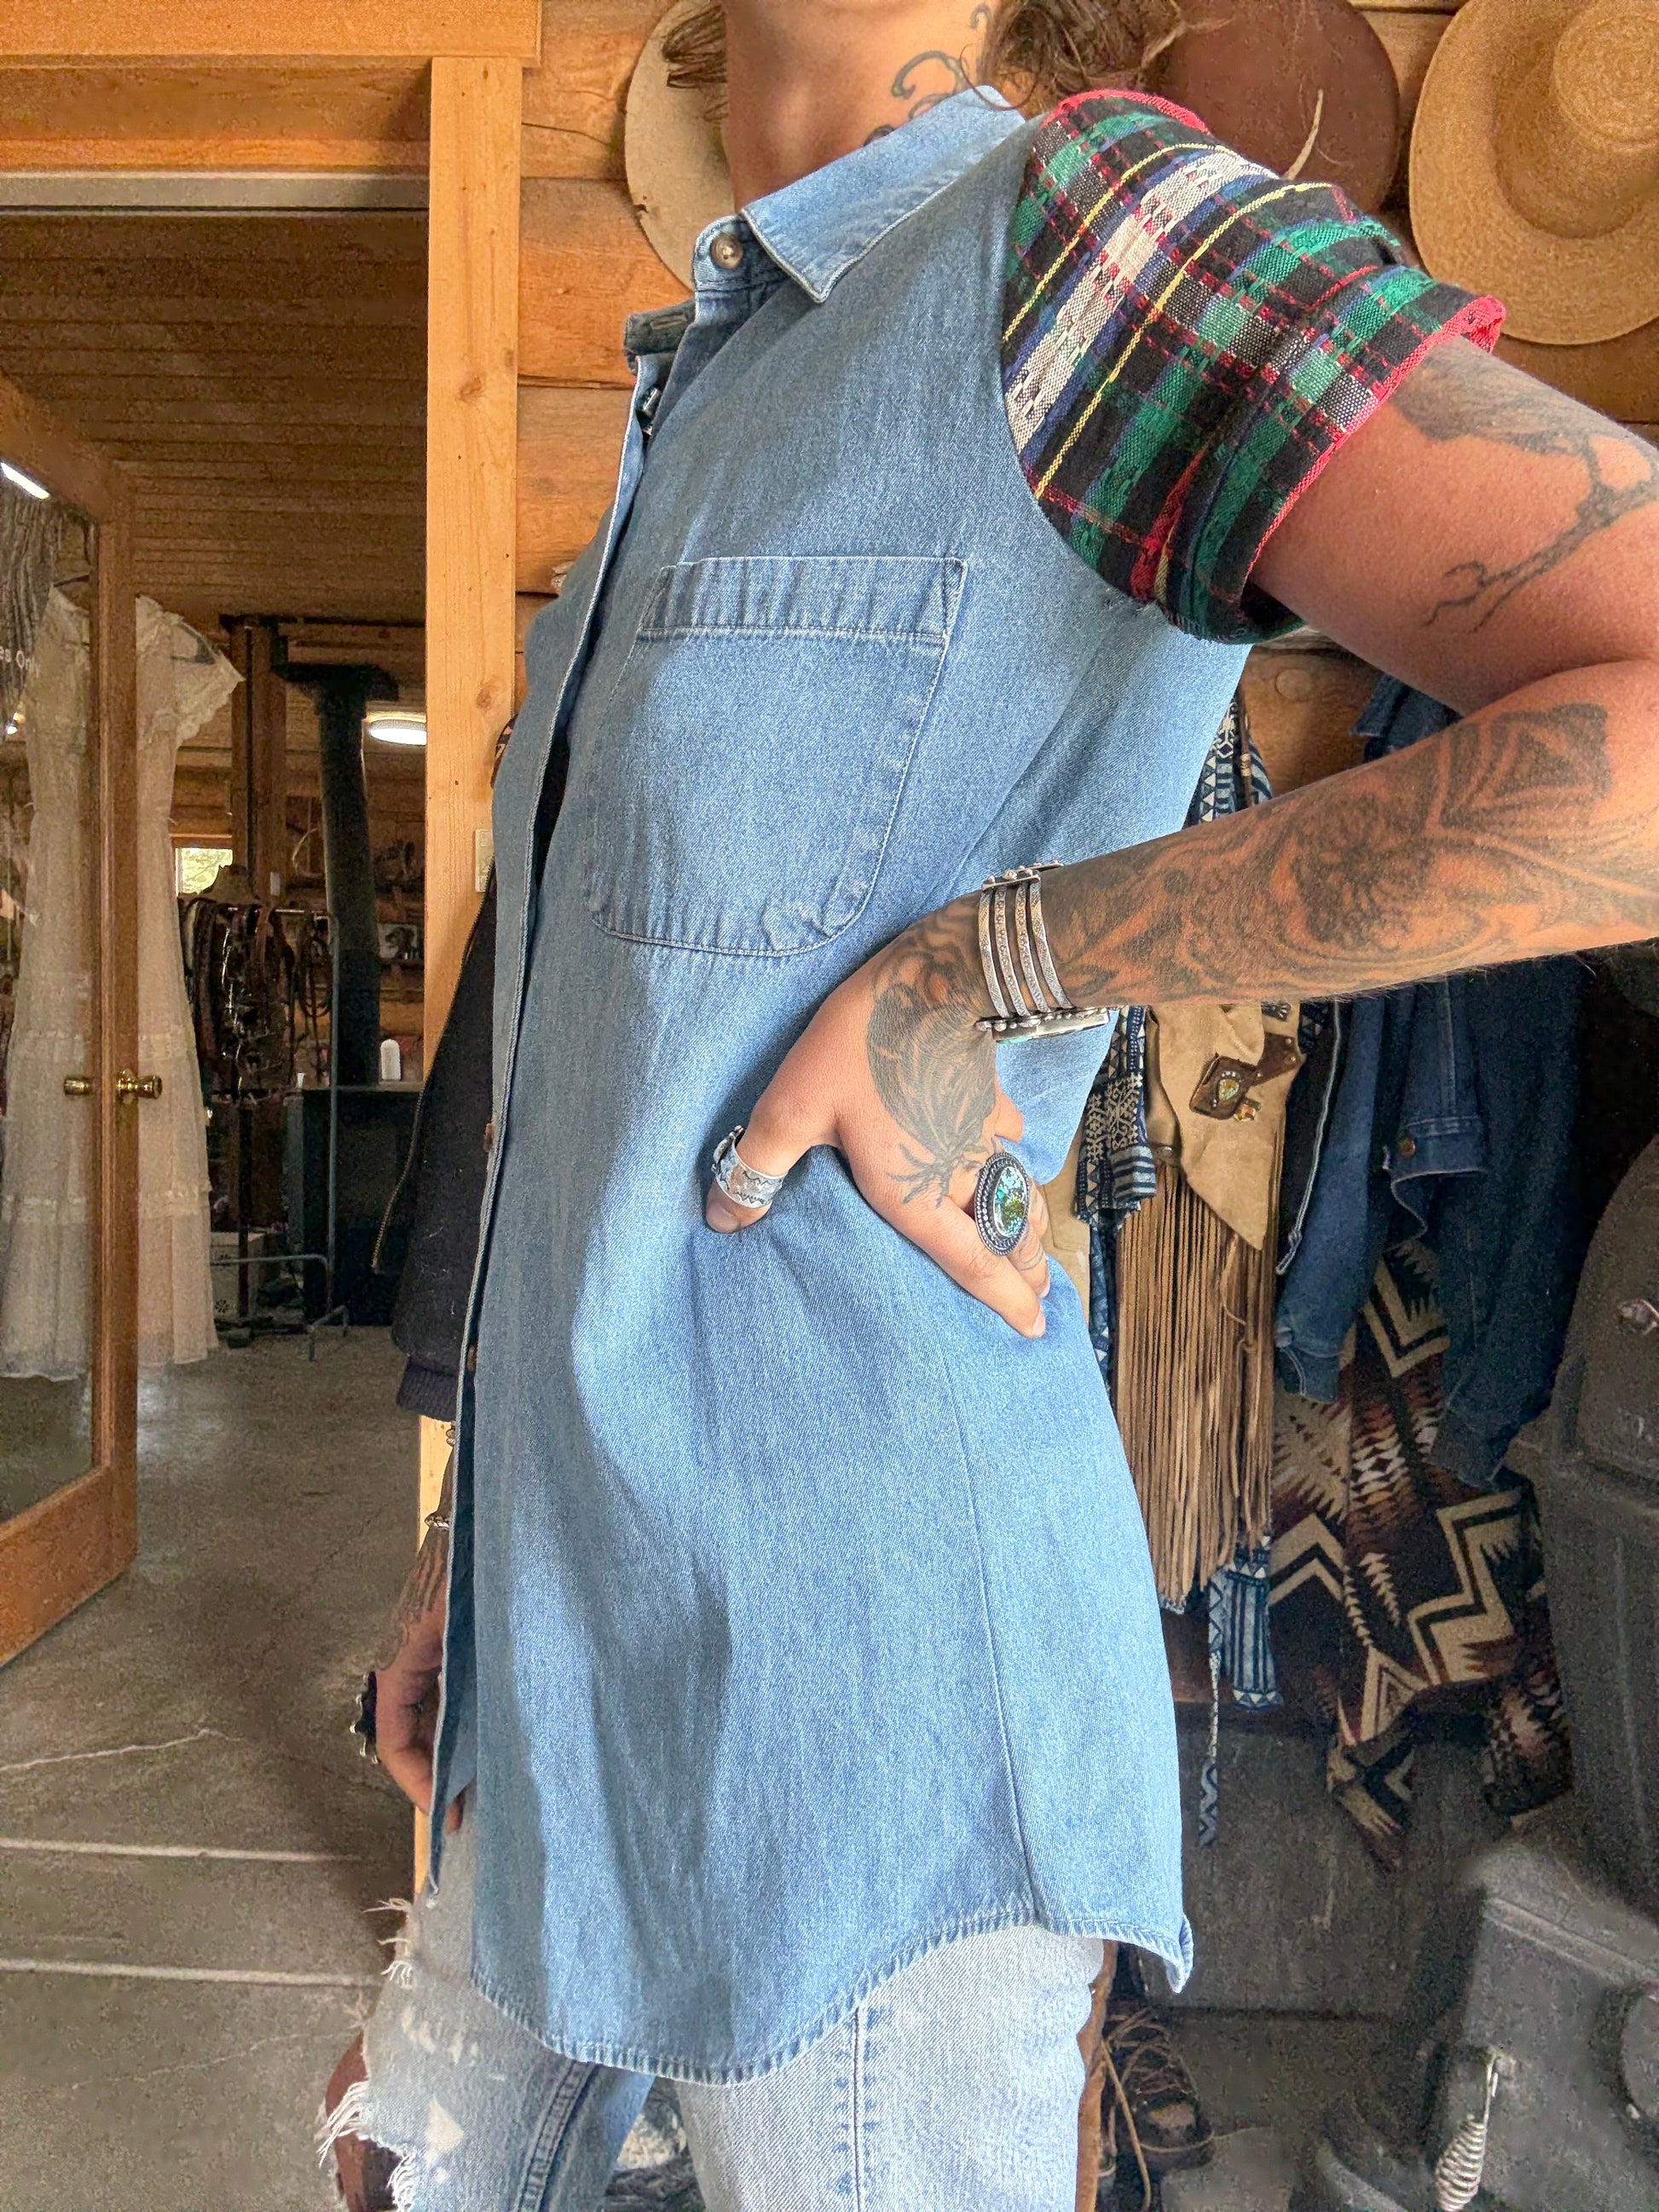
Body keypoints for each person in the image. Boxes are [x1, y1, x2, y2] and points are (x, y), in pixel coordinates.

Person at [322, 3, 1659, 2207]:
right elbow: (604, 1099)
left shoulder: (1086, 240)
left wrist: (986, 965)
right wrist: (471, 1551)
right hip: (567, 1664)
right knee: (403, 2168)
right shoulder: (706, 374)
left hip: (871, 1716)